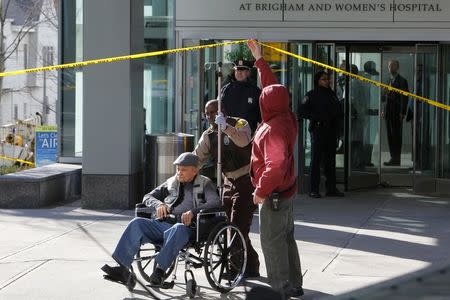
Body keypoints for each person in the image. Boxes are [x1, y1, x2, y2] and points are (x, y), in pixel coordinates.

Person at [101, 152, 221, 288]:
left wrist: (193, 212)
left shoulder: (205, 183)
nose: (179, 173)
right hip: (164, 223)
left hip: (189, 228)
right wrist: (159, 204)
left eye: (184, 170)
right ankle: (122, 269)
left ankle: (159, 271)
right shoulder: (171, 182)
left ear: (195, 170)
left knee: (178, 228)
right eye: (178, 169)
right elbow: (147, 197)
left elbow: (215, 202)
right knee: (137, 223)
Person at [247, 40, 304, 298]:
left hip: (275, 196)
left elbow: (276, 165)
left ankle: (281, 288)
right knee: (287, 239)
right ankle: (294, 284)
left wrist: (260, 191)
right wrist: (259, 60)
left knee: (272, 242)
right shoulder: (286, 115)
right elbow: (272, 90)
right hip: (287, 192)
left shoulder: (271, 130)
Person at [193, 99, 260, 278]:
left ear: (222, 110)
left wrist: (227, 129)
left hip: (246, 181)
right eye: (207, 113)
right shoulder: (209, 134)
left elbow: (244, 141)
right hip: (227, 182)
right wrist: (184, 172)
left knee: (238, 225)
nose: (210, 117)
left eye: (213, 112)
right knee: (231, 226)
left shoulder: (239, 123)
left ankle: (234, 268)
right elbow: (197, 157)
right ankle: (252, 264)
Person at [298, 70, 344, 198]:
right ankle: (314, 189)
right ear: (318, 81)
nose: (327, 81)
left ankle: (331, 189)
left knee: (330, 161)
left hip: (331, 131)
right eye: (324, 79)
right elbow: (301, 111)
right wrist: (316, 117)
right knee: (316, 160)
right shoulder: (312, 95)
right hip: (318, 130)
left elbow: (338, 113)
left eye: (328, 79)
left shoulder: (332, 95)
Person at [221, 58, 262, 134]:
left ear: (248, 72)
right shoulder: (226, 89)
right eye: (237, 70)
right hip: (229, 132)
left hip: (248, 134)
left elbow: (260, 115)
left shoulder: (255, 91)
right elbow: (219, 109)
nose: (239, 73)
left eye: (242, 70)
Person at [381, 60, 409, 166]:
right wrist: (383, 110)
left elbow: (404, 98)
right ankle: (393, 158)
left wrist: (402, 112)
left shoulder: (402, 81)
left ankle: (396, 159)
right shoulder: (388, 80)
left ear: (397, 67)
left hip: (397, 113)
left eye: (393, 66)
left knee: (396, 136)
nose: (390, 67)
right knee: (389, 136)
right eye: (389, 66)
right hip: (388, 112)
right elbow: (384, 97)